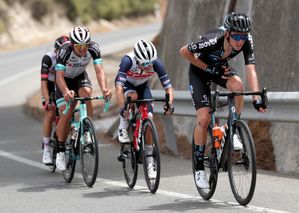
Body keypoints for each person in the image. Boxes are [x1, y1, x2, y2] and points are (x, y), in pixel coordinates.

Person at [180, 12, 267, 189]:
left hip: (219, 69)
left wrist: (257, 97)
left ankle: (233, 128)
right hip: (199, 72)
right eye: (236, 36)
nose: (240, 41)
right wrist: (208, 68)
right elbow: (184, 51)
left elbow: (251, 69)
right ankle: (198, 168)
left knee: (239, 87)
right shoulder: (213, 39)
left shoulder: (246, 40)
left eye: (243, 36)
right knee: (204, 119)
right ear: (227, 33)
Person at [54, 26, 112, 171]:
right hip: (64, 81)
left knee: (86, 95)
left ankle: (87, 130)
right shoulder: (64, 50)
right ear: (73, 44)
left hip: (79, 77)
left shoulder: (93, 47)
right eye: (79, 46)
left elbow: (100, 70)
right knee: (67, 114)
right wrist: (66, 91)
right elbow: (59, 76)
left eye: (85, 45)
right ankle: (60, 151)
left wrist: (104, 88)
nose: (83, 50)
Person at [115, 39, 174, 178]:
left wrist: (169, 104)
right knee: (133, 96)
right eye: (145, 63)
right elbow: (118, 88)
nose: (148, 66)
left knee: (149, 120)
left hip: (143, 86)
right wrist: (122, 108)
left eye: (150, 63)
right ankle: (123, 126)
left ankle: (149, 159)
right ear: (137, 59)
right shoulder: (127, 61)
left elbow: (169, 88)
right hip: (127, 86)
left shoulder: (156, 63)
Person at [41, 35, 69, 164]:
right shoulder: (48, 58)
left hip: (64, 83)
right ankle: (46, 147)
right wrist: (47, 101)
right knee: (50, 113)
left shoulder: (69, 55)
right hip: (51, 85)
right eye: (59, 51)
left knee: (68, 113)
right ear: (55, 50)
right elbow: (43, 82)